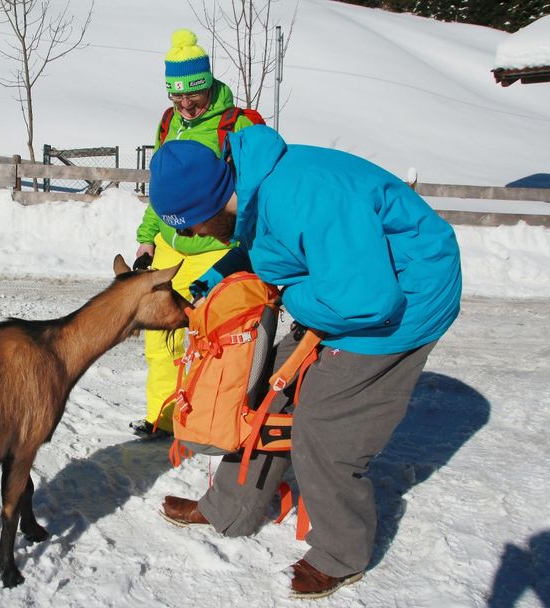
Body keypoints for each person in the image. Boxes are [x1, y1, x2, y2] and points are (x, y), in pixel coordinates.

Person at [146, 129, 462, 599]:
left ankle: (341, 553)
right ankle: (230, 508)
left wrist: (291, 296)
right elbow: (264, 243)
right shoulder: (252, 189)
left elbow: (370, 300)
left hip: (406, 299)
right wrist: (216, 278)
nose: (188, 236)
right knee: (267, 391)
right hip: (348, 286)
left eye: (189, 225)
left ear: (214, 204)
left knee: (323, 422)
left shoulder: (300, 196)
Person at [131, 28, 260, 440]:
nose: (185, 105)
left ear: (208, 84)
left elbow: (256, 189)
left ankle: (204, 419)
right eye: (177, 95)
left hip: (214, 245)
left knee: (199, 334)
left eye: (194, 95)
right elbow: (164, 188)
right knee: (158, 332)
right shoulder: (169, 122)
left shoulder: (237, 125)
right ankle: (162, 418)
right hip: (172, 244)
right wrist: (149, 237)